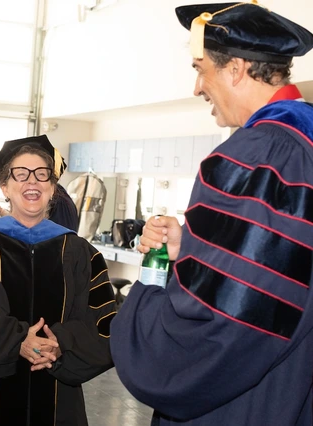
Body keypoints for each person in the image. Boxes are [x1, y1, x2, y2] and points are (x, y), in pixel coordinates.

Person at [109, 3, 313, 425]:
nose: (197, 87)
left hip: (248, 398)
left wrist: (145, 301)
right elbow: (276, 263)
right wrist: (196, 247)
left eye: (201, 69)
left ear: (236, 69)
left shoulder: (258, 156)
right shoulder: (302, 142)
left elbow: (225, 321)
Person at [0, 134, 116, 426]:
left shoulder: (81, 253)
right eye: (20, 174)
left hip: (59, 399)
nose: (32, 182)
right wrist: (16, 341)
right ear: (4, 186)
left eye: (42, 175)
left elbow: (103, 328)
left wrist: (61, 345)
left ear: (53, 187)